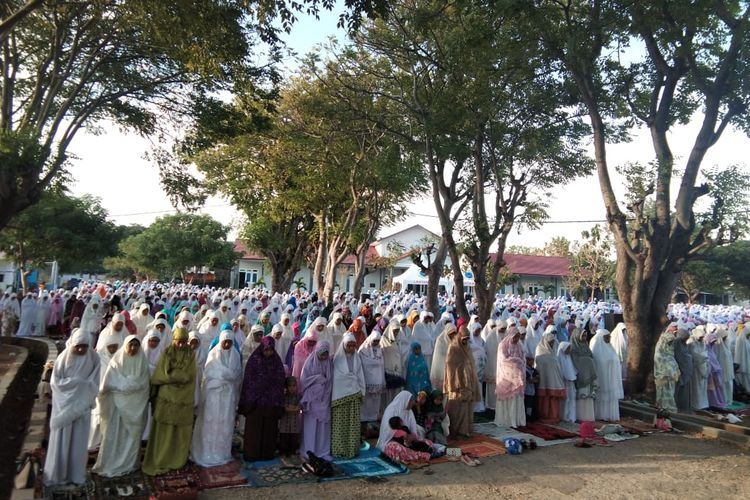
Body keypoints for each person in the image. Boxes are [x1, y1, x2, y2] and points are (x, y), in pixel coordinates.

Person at [44, 329, 100, 486]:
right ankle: (58, 474)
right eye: (78, 346)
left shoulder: (94, 358)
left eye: (84, 346)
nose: (81, 349)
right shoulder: (63, 358)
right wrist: (78, 384)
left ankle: (75, 475)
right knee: (62, 441)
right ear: (73, 344)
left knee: (78, 443)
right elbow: (56, 383)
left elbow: (95, 383)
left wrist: (83, 390)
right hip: (64, 408)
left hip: (82, 409)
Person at [142, 328, 196, 476]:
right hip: (166, 398)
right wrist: (177, 377)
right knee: (164, 429)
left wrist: (173, 376)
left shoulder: (190, 354)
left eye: (184, 342)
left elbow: (189, 376)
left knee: (179, 430)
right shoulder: (167, 352)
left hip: (183, 398)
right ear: (174, 341)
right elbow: (162, 374)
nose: (181, 345)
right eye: (179, 342)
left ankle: (176, 459)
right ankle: (161, 458)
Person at [93, 335, 150, 477]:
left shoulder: (142, 362)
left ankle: (129, 464)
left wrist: (129, 386)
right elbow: (107, 385)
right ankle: (110, 463)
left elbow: (144, 386)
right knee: (114, 435)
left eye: (136, 345)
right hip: (117, 407)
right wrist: (124, 386)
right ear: (125, 345)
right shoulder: (116, 362)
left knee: (131, 437)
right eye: (131, 345)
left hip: (136, 406)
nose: (133, 348)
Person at [191, 330, 242, 467]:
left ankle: (222, 453)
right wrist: (223, 377)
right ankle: (207, 452)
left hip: (228, 396)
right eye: (225, 341)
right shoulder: (213, 355)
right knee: (211, 424)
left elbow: (237, 377)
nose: (226, 344)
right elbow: (208, 376)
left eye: (229, 342)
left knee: (224, 424)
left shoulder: (236, 356)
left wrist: (227, 378)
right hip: (214, 395)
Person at [239, 336, 286, 461]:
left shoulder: (276, 361)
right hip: (256, 403)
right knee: (255, 429)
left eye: (270, 350)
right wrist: (260, 388)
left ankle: (266, 454)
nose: (268, 352)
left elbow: (280, 379)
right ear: (261, 348)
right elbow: (249, 380)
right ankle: (252, 454)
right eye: (266, 350)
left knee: (269, 430)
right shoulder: (254, 360)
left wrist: (271, 387)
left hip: (271, 402)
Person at [331, 332, 366, 458]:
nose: (351, 349)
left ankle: (352, 449)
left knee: (352, 425)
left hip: (354, 396)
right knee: (340, 425)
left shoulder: (357, 358)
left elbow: (360, 375)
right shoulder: (337, 359)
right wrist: (349, 379)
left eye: (353, 346)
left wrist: (362, 391)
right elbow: (336, 378)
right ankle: (339, 449)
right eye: (349, 346)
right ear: (344, 345)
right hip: (339, 398)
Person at [444, 326, 481, 439]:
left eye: (467, 339)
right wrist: (455, 383)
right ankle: (456, 431)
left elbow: (471, 363)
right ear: (459, 336)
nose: (465, 341)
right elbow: (450, 368)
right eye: (464, 339)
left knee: (467, 408)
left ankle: (466, 430)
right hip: (457, 384)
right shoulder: (453, 348)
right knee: (457, 408)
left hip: (468, 382)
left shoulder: (467, 347)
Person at [299, 341, 334, 461]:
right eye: (322, 354)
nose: (324, 357)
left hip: (324, 399)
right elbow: (304, 380)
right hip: (312, 400)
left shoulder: (329, 363)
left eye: (326, 354)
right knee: (311, 427)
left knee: (323, 428)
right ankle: (309, 450)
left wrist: (326, 397)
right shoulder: (310, 361)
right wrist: (317, 379)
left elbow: (330, 381)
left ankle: (323, 451)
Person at [494, 327, 526, 428]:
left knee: (516, 398)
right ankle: (507, 420)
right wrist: (516, 360)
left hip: (517, 376)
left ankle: (517, 420)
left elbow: (522, 357)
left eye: (518, 337)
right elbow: (503, 359)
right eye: (515, 337)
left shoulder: (519, 345)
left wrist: (519, 362)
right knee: (508, 398)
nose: (516, 339)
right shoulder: (503, 345)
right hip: (506, 376)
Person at [590, 329, 623, 421]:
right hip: (602, 378)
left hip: (611, 379)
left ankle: (610, 415)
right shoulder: (596, 350)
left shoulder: (610, 348)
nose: (609, 339)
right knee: (602, 397)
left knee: (611, 398)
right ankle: (601, 415)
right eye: (607, 337)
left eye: (609, 337)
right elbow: (598, 364)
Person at [534, 329, 566, 424]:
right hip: (544, 381)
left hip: (554, 381)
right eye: (550, 342)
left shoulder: (553, 353)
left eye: (553, 342)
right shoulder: (540, 352)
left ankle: (554, 416)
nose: (552, 344)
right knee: (545, 401)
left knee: (553, 400)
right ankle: (544, 416)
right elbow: (539, 367)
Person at [570, 328, 597, 421]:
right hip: (580, 376)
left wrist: (589, 360)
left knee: (588, 397)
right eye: (583, 335)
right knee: (582, 396)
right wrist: (587, 360)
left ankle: (588, 416)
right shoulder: (573, 347)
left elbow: (591, 356)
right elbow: (575, 361)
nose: (585, 338)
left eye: (585, 336)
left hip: (588, 375)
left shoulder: (586, 345)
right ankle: (580, 416)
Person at [358, 331, 385, 422]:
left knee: (375, 403)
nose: (376, 343)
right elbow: (362, 364)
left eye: (378, 341)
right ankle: (364, 421)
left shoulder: (379, 350)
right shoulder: (362, 350)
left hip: (378, 382)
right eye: (374, 341)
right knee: (366, 403)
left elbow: (381, 365)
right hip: (367, 381)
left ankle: (373, 419)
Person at [653, 328, 680, 413]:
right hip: (663, 377)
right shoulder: (659, 353)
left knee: (670, 394)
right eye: (669, 342)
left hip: (671, 379)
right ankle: (663, 407)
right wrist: (669, 372)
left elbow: (672, 361)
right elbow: (660, 366)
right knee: (663, 394)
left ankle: (669, 407)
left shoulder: (669, 352)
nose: (670, 344)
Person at [279, 376, 301, 457]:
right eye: (290, 386)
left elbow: (299, 408)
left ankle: (293, 452)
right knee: (284, 441)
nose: (292, 388)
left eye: (294, 386)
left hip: (295, 425)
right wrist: (293, 408)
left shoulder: (298, 396)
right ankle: (284, 453)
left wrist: (290, 407)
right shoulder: (283, 397)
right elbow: (285, 408)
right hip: (285, 425)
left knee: (294, 441)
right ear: (286, 387)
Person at [430, 323, 457, 390]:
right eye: (451, 334)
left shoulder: (455, 341)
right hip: (441, 370)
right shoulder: (440, 340)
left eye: (454, 333)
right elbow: (440, 356)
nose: (453, 335)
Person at [689, 326, 710, 411]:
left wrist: (704, 356)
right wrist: (704, 356)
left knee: (702, 388)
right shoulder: (691, 343)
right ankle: (695, 405)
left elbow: (705, 352)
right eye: (701, 337)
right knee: (696, 388)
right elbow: (694, 355)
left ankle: (702, 404)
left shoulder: (702, 343)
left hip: (703, 368)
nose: (702, 338)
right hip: (695, 369)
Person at [673, 328, 694, 412]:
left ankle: (684, 407)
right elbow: (679, 356)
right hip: (680, 371)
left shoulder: (683, 344)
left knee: (685, 391)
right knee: (679, 390)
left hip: (686, 371)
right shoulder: (677, 343)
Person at [704, 332, 726, 408]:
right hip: (710, 373)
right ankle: (712, 403)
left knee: (716, 390)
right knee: (711, 390)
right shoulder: (705, 351)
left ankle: (716, 402)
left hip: (715, 373)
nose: (713, 343)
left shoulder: (711, 350)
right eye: (712, 342)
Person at [557, 341, 577, 422]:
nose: (569, 350)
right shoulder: (559, 358)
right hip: (563, 382)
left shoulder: (568, 357)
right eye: (568, 348)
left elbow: (572, 370)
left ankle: (570, 416)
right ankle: (564, 416)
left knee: (571, 399)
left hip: (570, 383)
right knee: (565, 400)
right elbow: (560, 371)